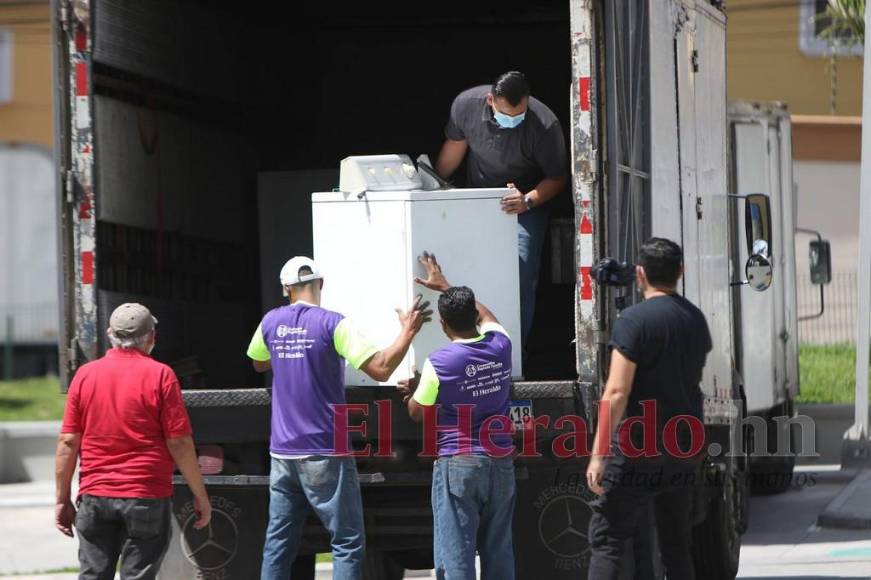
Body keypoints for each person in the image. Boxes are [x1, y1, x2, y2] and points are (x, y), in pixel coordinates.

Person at [248, 256, 432, 580]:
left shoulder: (270, 322)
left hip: (282, 452)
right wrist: (408, 332)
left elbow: (258, 363)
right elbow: (381, 368)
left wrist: (287, 351)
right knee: (346, 541)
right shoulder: (334, 324)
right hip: (325, 448)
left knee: (279, 541)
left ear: (284, 288)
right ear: (321, 284)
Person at [585, 238, 712, 579]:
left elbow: (616, 391)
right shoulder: (696, 319)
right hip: (684, 445)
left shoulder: (633, 321)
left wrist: (599, 454)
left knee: (608, 538)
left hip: (639, 446)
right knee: (675, 543)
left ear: (639, 274)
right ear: (680, 272)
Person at [56, 303, 211, 580]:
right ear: (151, 337)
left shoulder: (85, 375)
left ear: (109, 334)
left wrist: (61, 499)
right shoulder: (161, 375)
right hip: (146, 496)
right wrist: (200, 495)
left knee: (93, 575)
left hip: (95, 496)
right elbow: (179, 443)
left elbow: (68, 442)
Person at [399, 252, 516, 580]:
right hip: (500, 460)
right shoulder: (500, 346)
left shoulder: (440, 362)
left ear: (442, 324)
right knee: (499, 551)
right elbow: (487, 315)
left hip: (459, 461)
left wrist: (411, 393)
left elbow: (418, 413)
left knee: (456, 553)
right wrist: (447, 288)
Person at [435, 71, 567, 347]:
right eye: (507, 115)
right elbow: (453, 152)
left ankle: (513, 353)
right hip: (477, 201)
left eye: (519, 115)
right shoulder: (466, 105)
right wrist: (434, 189)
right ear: (489, 100)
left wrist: (527, 200)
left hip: (525, 206)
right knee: (469, 269)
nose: (513, 121)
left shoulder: (543, 124)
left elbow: (557, 178)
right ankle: (470, 347)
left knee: (520, 277)